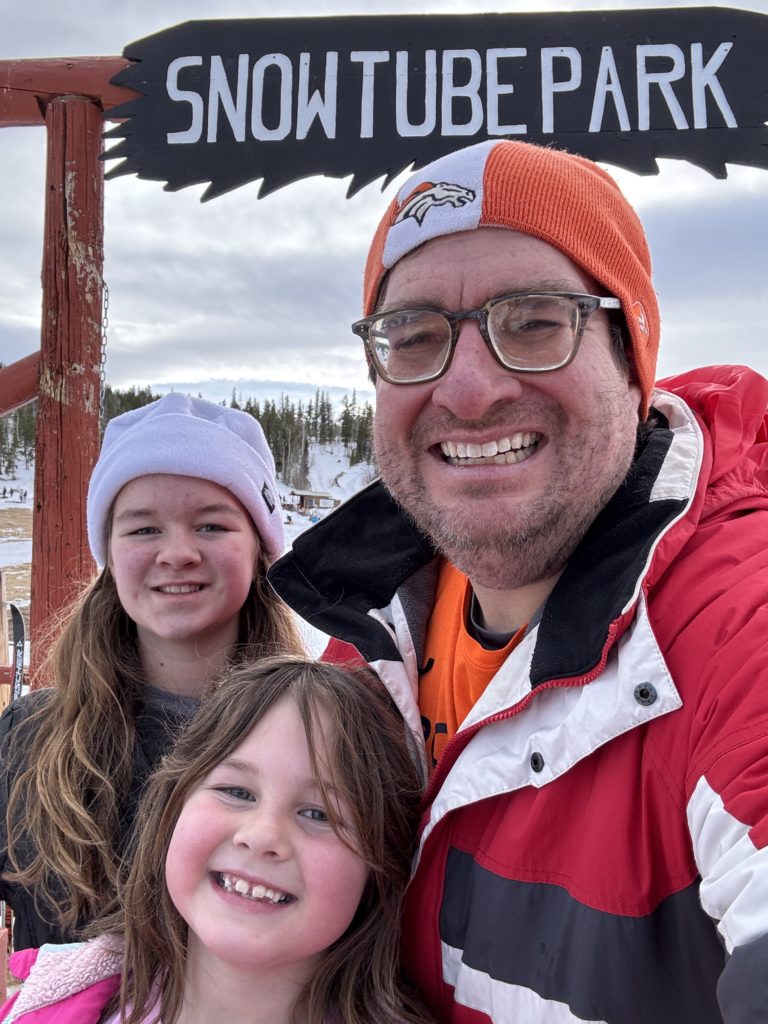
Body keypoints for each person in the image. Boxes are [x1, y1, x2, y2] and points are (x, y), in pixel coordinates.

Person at [267, 139, 768, 1023]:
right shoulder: (374, 636)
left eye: (535, 320)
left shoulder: (737, 628)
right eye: (414, 336)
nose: (467, 387)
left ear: (631, 354)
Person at [0, 393, 304, 950]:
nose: (178, 553)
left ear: (260, 547)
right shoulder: (26, 741)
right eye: (143, 530)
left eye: (212, 526)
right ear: (110, 556)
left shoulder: (318, 737)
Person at [0, 657, 431, 1024]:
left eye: (319, 814)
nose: (262, 836)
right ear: (171, 809)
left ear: (380, 863)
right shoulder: (48, 1008)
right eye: (237, 792)